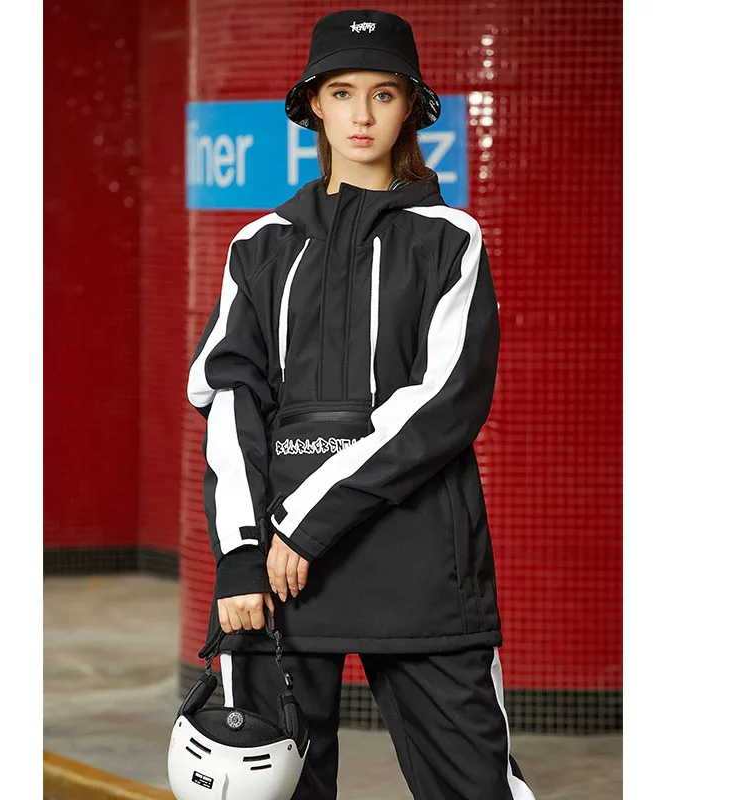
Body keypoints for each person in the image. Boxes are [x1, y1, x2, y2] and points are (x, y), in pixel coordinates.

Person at [187, 9, 536, 800]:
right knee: (266, 788)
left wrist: (309, 521)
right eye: (343, 92)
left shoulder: (450, 239)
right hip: (275, 570)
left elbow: (445, 402)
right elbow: (231, 399)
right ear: (314, 104)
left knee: (474, 786)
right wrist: (242, 551)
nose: (363, 114)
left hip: (419, 558)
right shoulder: (260, 245)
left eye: (384, 93)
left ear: (410, 106)